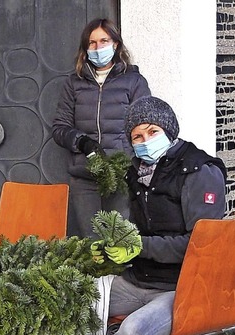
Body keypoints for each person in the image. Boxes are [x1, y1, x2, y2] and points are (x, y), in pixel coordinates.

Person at [40, 96, 227, 335]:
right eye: (137, 135)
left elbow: (201, 245)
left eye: (152, 132)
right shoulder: (137, 171)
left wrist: (137, 246)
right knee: (65, 300)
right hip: (137, 280)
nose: (144, 141)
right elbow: (132, 233)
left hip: (183, 289)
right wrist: (112, 249)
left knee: (131, 332)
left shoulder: (200, 170)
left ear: (169, 131)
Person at [51, 18, 151, 238]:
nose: (98, 48)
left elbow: (145, 126)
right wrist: (82, 142)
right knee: (92, 243)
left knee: (119, 240)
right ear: (86, 49)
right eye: (92, 43)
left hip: (121, 176)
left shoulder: (134, 82)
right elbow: (60, 127)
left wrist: (129, 161)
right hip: (84, 175)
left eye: (104, 41)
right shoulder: (74, 83)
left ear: (115, 44)